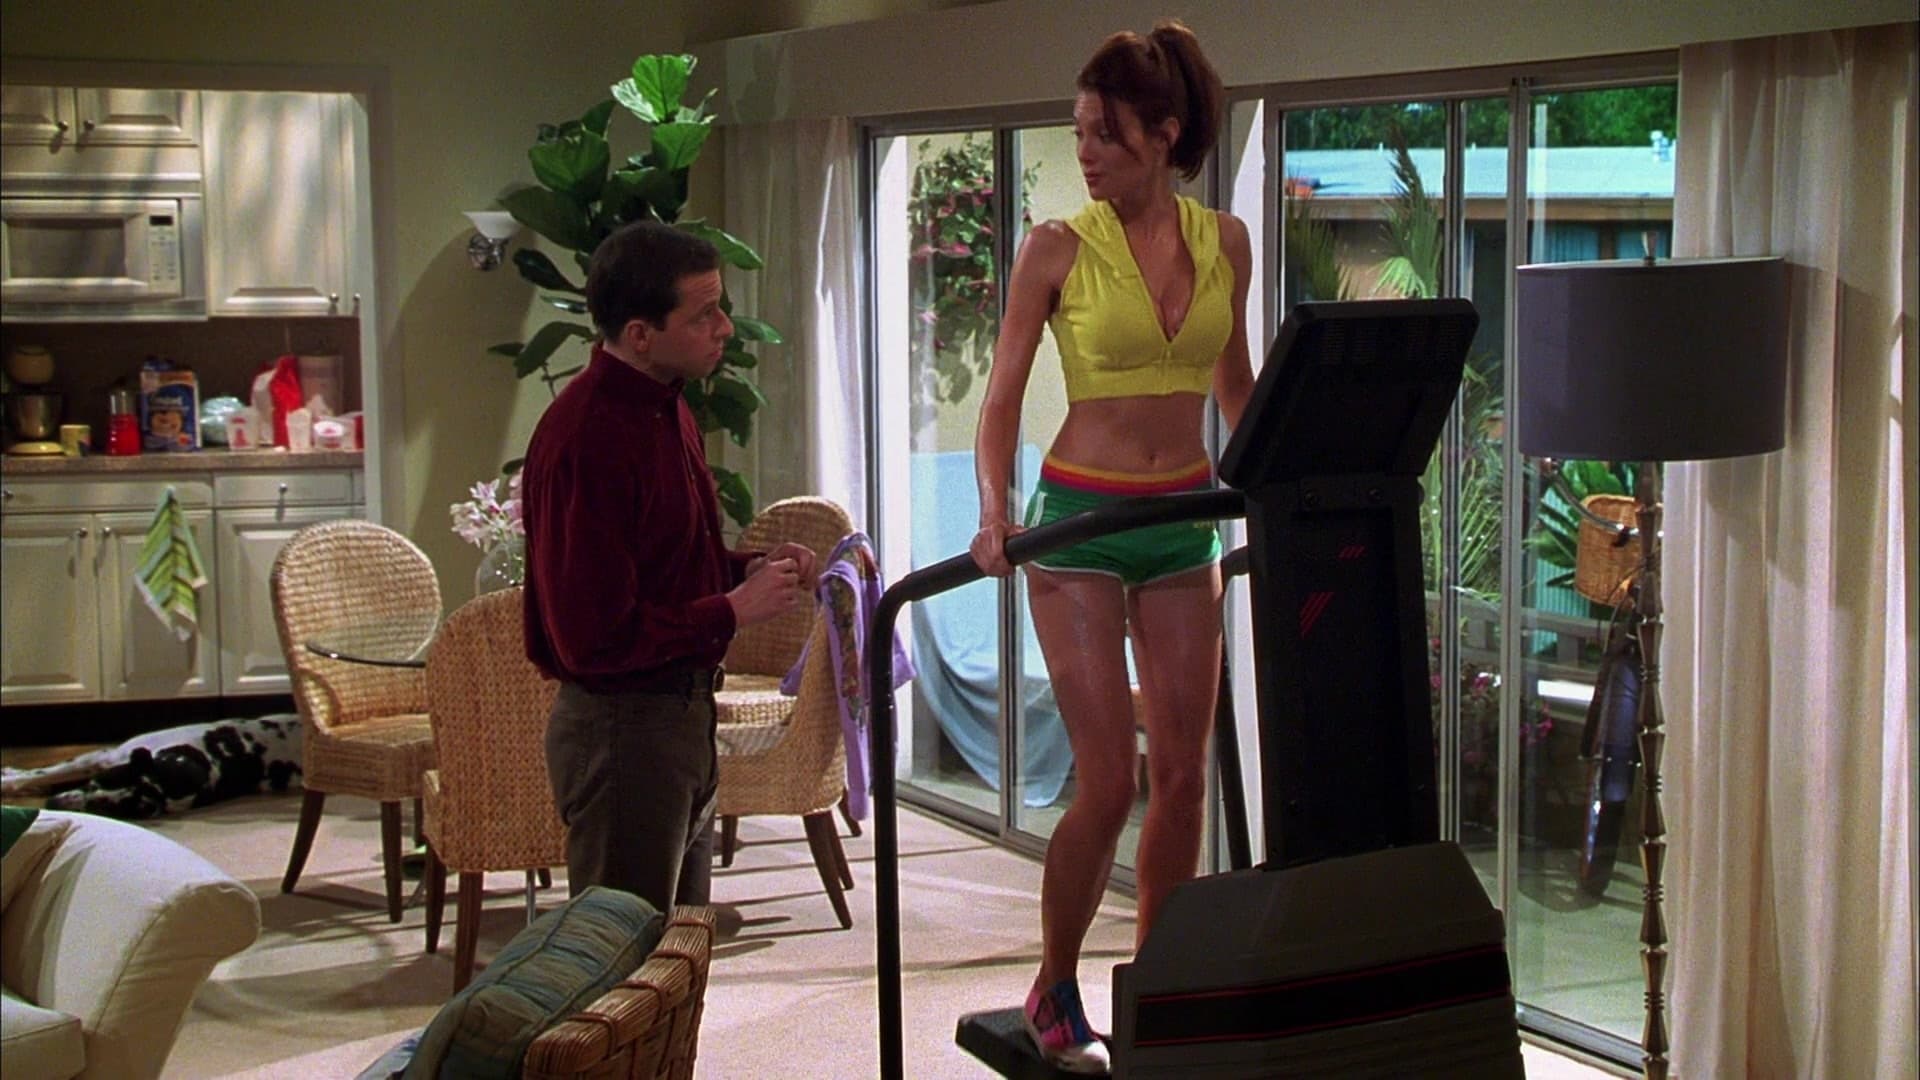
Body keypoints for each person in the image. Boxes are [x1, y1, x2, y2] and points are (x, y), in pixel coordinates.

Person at [968, 20, 1253, 1075]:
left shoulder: (1226, 242)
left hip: (1180, 521)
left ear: (1163, 135)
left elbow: (1237, 389)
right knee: (1107, 782)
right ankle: (1053, 983)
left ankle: (1158, 985)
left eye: (1104, 133)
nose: (1084, 152)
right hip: (1080, 525)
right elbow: (1002, 399)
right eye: (1079, 131)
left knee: (1180, 774)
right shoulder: (1055, 248)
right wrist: (994, 512)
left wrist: (1284, 488)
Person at [522, 220, 816, 914]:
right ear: (640, 334)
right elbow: (592, 638)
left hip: (680, 718)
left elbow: (664, 562)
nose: (725, 328)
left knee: (679, 949)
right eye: (703, 314)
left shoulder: (668, 406)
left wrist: (747, 570)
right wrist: (732, 612)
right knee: (623, 954)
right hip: (624, 731)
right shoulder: (587, 438)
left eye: (722, 308)